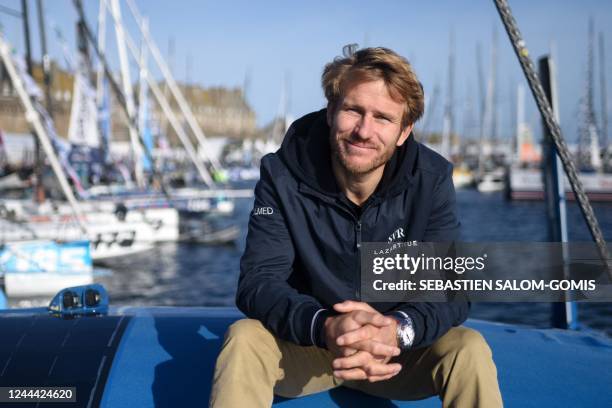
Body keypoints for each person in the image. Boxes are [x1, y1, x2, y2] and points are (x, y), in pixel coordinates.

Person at [210, 47, 502, 407]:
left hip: (395, 352)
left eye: (383, 117)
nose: (364, 130)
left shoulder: (431, 179)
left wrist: (397, 329)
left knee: (468, 348)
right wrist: (325, 327)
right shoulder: (282, 174)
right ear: (331, 111)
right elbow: (259, 281)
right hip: (312, 344)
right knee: (244, 338)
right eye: (353, 110)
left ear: (403, 131)